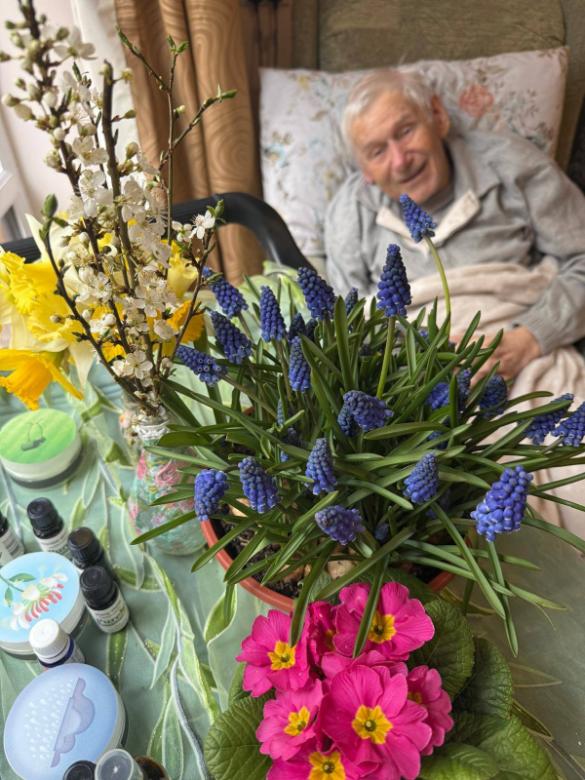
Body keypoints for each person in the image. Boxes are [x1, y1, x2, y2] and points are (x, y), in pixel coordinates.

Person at [324, 69, 585, 380]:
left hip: (524, 353)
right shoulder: (348, 213)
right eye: (377, 151)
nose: (400, 160)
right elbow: (349, 324)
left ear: (438, 116)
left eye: (406, 131)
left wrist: (529, 339)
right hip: (408, 378)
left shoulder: (513, 166)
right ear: (364, 170)